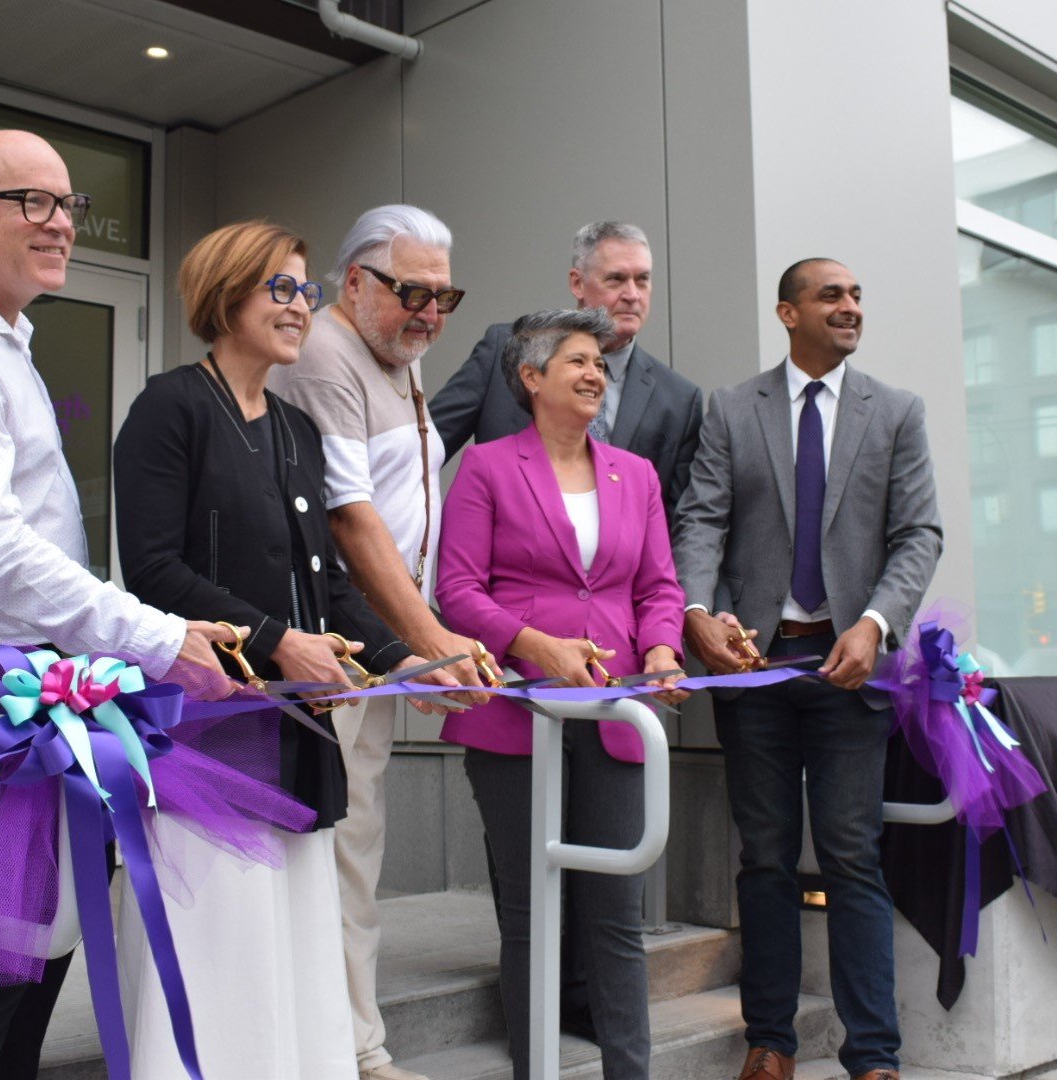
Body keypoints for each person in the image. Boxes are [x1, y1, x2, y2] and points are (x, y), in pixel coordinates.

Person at [0, 129, 242, 1080]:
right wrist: (155, 635)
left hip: (18, 678)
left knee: (32, 949)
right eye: (32, 201)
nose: (61, 223)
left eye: (68, 205)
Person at [110, 219, 462, 1078]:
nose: (301, 307)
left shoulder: (295, 432)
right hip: (208, 731)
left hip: (299, 733)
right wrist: (276, 646)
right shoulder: (170, 408)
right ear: (224, 293)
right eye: (282, 288)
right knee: (221, 947)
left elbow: (331, 587)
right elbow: (153, 570)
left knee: (296, 942)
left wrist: (399, 662)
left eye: (306, 290)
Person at [671, 258, 942, 1080]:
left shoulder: (895, 412)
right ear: (789, 313)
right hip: (754, 671)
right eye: (832, 296)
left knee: (853, 856)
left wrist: (874, 624)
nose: (850, 307)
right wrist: (694, 612)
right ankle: (770, 1042)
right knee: (764, 855)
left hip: (848, 669)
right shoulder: (732, 409)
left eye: (857, 295)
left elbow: (919, 535)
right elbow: (702, 520)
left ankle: (874, 1056)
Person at [436, 308, 687, 1080]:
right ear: (531, 377)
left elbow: (659, 587)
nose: (593, 374)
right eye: (576, 361)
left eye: (600, 366)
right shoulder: (485, 467)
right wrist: (534, 646)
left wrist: (661, 649)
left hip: (616, 717)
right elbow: (457, 588)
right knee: (530, 915)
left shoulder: (634, 474)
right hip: (518, 715)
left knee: (615, 916)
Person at [269, 204, 489, 1080]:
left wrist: (417, 643)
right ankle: (353, 1052)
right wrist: (428, 640)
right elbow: (353, 524)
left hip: (376, 652)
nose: (430, 313)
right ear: (353, 281)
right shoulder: (327, 354)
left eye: (445, 295)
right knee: (340, 859)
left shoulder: (399, 351)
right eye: (412, 293)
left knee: (353, 856)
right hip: (336, 650)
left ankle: (345, 1040)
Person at [429, 220, 703, 520]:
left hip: (618, 565)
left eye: (642, 280)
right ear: (577, 283)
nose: (632, 294)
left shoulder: (680, 400)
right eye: (616, 279)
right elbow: (420, 451)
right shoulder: (505, 350)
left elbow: (681, 523)